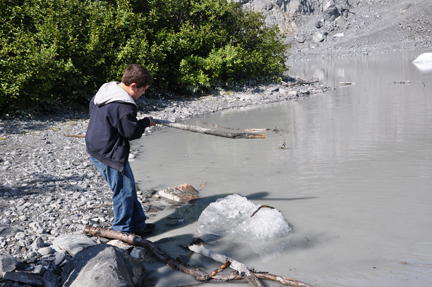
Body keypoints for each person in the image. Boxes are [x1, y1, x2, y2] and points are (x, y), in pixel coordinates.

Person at [85, 64, 156, 236]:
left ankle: (138, 225)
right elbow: (131, 132)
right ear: (133, 86)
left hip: (96, 145)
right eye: (143, 89)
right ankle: (121, 231)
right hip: (109, 153)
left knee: (129, 187)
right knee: (124, 192)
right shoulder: (124, 106)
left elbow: (92, 107)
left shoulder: (108, 89)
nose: (143, 93)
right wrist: (145, 122)